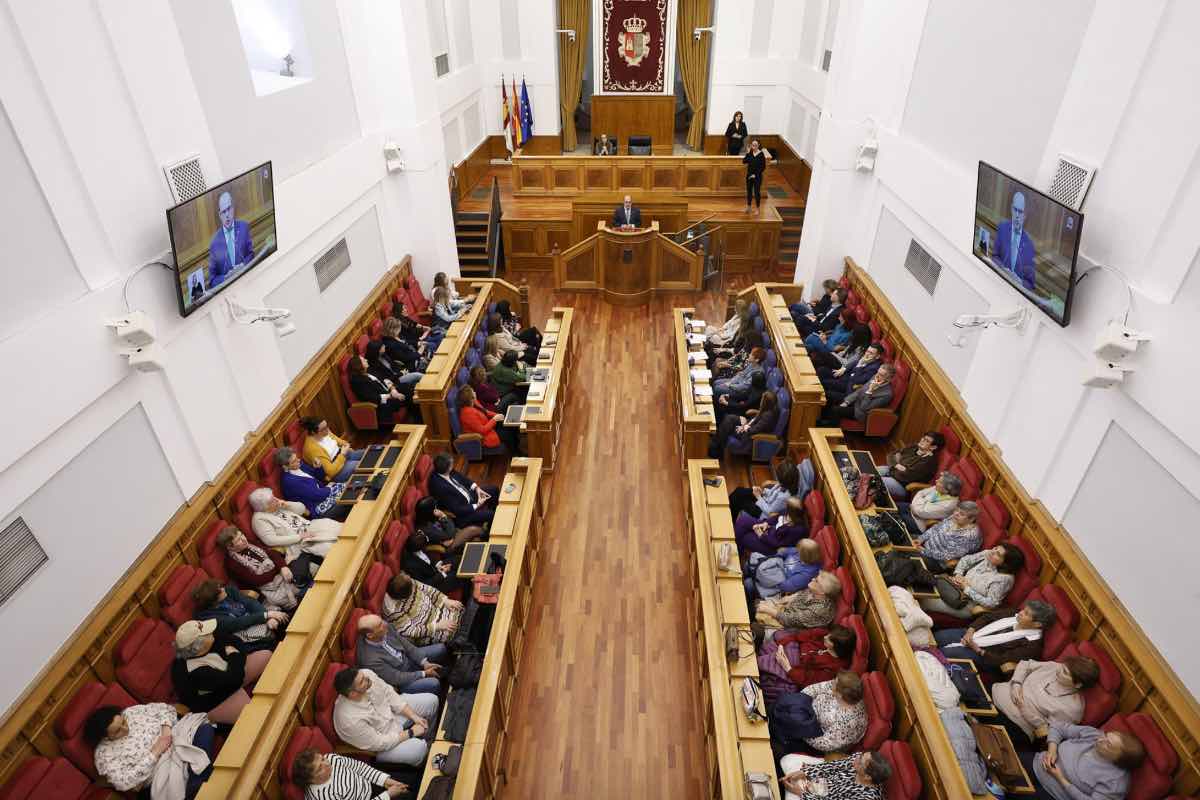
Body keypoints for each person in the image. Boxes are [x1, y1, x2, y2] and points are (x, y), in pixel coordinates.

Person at [84, 703, 216, 796]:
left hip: (177, 736)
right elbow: (123, 782)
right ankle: (202, 781)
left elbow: (165, 709)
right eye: (117, 731)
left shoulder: (130, 712)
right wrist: (155, 753)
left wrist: (166, 731)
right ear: (105, 737)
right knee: (178, 781)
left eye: (123, 722)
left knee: (205, 729)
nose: (126, 728)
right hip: (159, 769)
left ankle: (198, 782)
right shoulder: (104, 755)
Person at [331, 667, 438, 767]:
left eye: (363, 676)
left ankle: (431, 738)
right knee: (419, 750)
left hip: (392, 714)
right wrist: (410, 733)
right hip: (382, 742)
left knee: (432, 701)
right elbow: (378, 743)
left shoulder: (366, 674)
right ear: (352, 694)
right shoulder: (349, 720)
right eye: (362, 681)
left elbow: (389, 694)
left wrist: (414, 716)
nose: (367, 678)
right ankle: (428, 761)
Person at [171, 619, 271, 725]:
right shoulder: (192, 671)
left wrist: (235, 667)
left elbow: (237, 642)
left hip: (231, 676)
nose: (211, 631)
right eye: (207, 633)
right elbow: (233, 680)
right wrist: (233, 656)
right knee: (256, 716)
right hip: (217, 701)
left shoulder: (211, 639)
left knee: (266, 655)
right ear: (198, 646)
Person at [933, 598, 1058, 676]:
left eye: (1026, 614)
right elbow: (988, 617)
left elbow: (1001, 659)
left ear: (1037, 624)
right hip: (973, 634)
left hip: (984, 656)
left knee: (943, 654)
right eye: (1023, 610)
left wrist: (977, 649)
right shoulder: (1013, 613)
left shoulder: (1032, 645)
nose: (1020, 613)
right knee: (936, 638)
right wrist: (970, 631)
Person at [992, 656, 1100, 743]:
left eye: (1065, 672)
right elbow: (1026, 664)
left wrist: (1024, 708)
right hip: (999, 692)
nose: (1058, 670)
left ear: (1077, 684)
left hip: (1014, 722)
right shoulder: (1054, 667)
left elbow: (1050, 730)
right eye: (1063, 666)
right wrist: (1017, 684)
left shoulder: (1073, 709)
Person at [1030, 724, 1144, 800]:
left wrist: (1061, 779)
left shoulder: (1116, 783)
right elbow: (1058, 727)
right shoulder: (1095, 734)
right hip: (1038, 762)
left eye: (1108, 744)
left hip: (1052, 793)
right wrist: (1052, 750)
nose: (1100, 739)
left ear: (1119, 759)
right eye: (1106, 735)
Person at [920, 542, 1025, 619]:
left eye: (998, 554)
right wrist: (958, 574)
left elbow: (992, 603)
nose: (993, 551)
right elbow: (966, 560)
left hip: (967, 604)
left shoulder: (1004, 579)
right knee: (922, 585)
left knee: (926, 600)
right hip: (953, 585)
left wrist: (966, 589)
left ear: (1005, 563)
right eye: (995, 548)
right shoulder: (987, 554)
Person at [248, 487, 341, 570]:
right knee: (328, 547)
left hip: (309, 526)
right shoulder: (259, 520)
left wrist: (287, 504)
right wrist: (300, 537)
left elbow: (302, 509)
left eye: (274, 497)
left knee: (332, 525)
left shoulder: (277, 505)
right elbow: (270, 540)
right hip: (298, 542)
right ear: (264, 507)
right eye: (272, 500)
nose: (276, 500)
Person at [758, 624, 857, 703]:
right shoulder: (825, 634)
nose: (825, 636)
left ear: (835, 646)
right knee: (772, 646)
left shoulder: (832, 669)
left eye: (829, 638)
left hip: (795, 670)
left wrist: (787, 666)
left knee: (770, 665)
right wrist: (781, 645)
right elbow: (800, 635)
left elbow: (807, 681)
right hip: (794, 648)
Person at [217, 526, 307, 611]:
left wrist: (283, 567)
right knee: (299, 600)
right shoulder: (232, 563)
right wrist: (278, 567)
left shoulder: (249, 543)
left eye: (242, 535)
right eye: (238, 540)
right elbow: (257, 580)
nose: (244, 539)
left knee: (303, 572)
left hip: (278, 576)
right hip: (265, 589)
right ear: (230, 547)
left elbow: (272, 553)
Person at [354, 614, 448, 694]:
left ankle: (444, 673)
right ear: (370, 635)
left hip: (408, 660)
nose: (385, 624)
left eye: (381, 621)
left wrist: (425, 663)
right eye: (380, 625)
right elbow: (396, 677)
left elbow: (407, 646)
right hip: (401, 681)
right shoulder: (369, 659)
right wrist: (424, 673)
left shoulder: (386, 628)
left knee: (441, 649)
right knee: (434, 684)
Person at [192, 579, 283, 654]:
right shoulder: (208, 617)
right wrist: (265, 615)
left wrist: (268, 618)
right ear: (213, 601)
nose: (223, 589)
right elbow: (237, 623)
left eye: (221, 587)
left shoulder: (229, 591)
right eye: (220, 591)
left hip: (255, 619)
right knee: (272, 643)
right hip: (242, 636)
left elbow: (249, 602)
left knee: (281, 619)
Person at [382, 571, 463, 645]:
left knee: (459, 608)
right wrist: (437, 626)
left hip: (435, 610)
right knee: (453, 630)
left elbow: (429, 590)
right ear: (406, 596)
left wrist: (445, 600)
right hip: (426, 630)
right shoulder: (392, 610)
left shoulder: (407, 580)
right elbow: (411, 631)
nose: (410, 576)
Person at [292, 749, 409, 800]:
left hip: (369, 785)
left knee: (409, 786)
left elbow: (360, 767)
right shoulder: (324, 796)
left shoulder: (331, 758)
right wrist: (388, 795)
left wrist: (386, 781)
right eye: (319, 768)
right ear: (311, 780)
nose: (326, 763)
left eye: (322, 759)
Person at [779, 750, 891, 800]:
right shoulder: (858, 759)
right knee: (786, 761)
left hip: (820, 795)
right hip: (821, 786)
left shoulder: (867, 797)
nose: (856, 757)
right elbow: (834, 766)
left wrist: (801, 793)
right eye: (862, 755)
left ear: (867, 777)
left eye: (860, 760)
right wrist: (805, 772)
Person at [276, 447, 350, 522]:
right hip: (319, 508)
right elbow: (316, 495)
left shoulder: (299, 465)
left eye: (297, 457)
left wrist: (318, 468)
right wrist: (329, 488)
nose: (298, 460)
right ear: (285, 467)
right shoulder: (290, 482)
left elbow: (320, 477)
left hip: (324, 494)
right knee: (349, 497)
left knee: (352, 486)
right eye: (294, 461)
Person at [802, 671, 868, 753]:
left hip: (814, 731)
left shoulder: (847, 723)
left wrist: (802, 731)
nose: (832, 681)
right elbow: (814, 688)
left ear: (840, 695)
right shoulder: (844, 689)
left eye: (834, 682)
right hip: (805, 710)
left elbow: (824, 744)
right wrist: (801, 698)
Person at [427, 452, 500, 526]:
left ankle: (494, 510)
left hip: (468, 496)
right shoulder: (440, 487)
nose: (453, 466)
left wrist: (477, 489)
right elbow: (457, 509)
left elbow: (462, 478)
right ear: (447, 468)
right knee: (493, 515)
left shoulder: (445, 469)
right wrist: (477, 505)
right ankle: (489, 531)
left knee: (494, 490)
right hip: (464, 513)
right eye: (452, 465)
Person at [756, 571, 842, 631]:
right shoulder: (814, 591)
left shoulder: (819, 610)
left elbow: (789, 620)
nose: (812, 579)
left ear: (822, 591)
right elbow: (799, 595)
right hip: (785, 611)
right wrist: (789, 598)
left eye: (816, 581)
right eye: (815, 578)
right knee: (756, 603)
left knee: (755, 627)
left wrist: (767, 609)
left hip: (791, 628)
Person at [818, 362, 894, 425]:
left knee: (836, 410)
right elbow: (859, 391)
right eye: (878, 372)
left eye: (881, 375)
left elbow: (864, 408)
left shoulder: (886, 394)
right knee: (828, 395)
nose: (877, 376)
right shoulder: (875, 377)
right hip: (855, 401)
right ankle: (821, 417)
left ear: (888, 379)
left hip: (859, 412)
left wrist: (870, 391)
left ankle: (828, 427)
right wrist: (847, 401)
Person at [402, 528, 472, 596]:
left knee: (459, 559)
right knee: (459, 575)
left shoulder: (416, 543)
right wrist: (443, 573)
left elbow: (428, 558)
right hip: (435, 584)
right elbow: (425, 584)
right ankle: (469, 593)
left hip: (435, 569)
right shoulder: (411, 565)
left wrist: (438, 565)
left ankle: (476, 571)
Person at [728, 458, 805, 520]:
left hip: (763, 513)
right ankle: (727, 513)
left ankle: (729, 520)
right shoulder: (787, 483)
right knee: (739, 491)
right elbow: (772, 493)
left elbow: (770, 511)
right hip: (764, 500)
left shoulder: (784, 498)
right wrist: (763, 492)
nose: (777, 480)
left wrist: (758, 497)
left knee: (740, 501)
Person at [710, 389, 779, 458]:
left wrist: (744, 427)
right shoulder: (768, 410)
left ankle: (717, 449)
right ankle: (717, 444)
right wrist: (747, 422)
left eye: (762, 399)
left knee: (728, 424)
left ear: (765, 402)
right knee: (729, 418)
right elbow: (756, 419)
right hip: (749, 424)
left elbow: (755, 429)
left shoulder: (768, 416)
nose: (761, 400)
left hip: (748, 434)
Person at [207, 191, 254, 289]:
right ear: (220, 215)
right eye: (224, 212)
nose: (227, 215)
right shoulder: (214, 244)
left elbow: (251, 254)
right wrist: (226, 277)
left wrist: (243, 265)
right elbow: (212, 281)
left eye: (229, 209)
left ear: (233, 209)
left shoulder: (244, 227)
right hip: (228, 290)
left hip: (248, 281)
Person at [991, 191, 1037, 291]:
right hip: (997, 283)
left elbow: (1031, 285)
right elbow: (994, 256)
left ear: (1025, 215)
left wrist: (1019, 282)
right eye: (1015, 210)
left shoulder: (1029, 246)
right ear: (1011, 209)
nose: (1016, 215)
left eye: (1020, 212)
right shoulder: (1002, 228)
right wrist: (1003, 269)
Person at [734, 497, 808, 557]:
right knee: (743, 520)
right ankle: (737, 550)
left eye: (787, 506)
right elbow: (775, 517)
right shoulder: (787, 511)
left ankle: (737, 553)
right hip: (769, 529)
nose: (785, 506)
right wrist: (765, 523)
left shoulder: (798, 530)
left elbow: (778, 544)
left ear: (792, 511)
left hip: (770, 546)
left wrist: (761, 535)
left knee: (745, 537)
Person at [914, 501, 981, 569]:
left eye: (962, 514)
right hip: (924, 544)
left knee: (907, 556)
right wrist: (921, 539)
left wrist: (923, 551)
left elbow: (947, 556)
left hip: (936, 560)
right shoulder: (954, 518)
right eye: (956, 510)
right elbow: (936, 528)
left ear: (971, 519)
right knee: (904, 539)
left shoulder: (967, 536)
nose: (956, 514)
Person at [878, 431, 944, 499]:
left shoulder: (928, 462)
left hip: (902, 485)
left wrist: (897, 461)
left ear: (933, 447)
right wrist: (897, 465)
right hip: (892, 471)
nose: (922, 441)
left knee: (875, 481)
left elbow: (904, 476)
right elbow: (891, 455)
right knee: (870, 471)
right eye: (923, 438)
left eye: (927, 441)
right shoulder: (915, 446)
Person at [347, 354, 408, 426]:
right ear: (358, 365)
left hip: (390, 391)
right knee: (408, 395)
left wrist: (393, 389)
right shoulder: (357, 381)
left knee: (407, 387)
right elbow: (371, 397)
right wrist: (391, 395)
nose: (366, 360)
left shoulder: (369, 370)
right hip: (381, 404)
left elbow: (384, 378)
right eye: (363, 360)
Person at [457, 386, 520, 454]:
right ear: (470, 398)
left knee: (511, 426)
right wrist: (494, 420)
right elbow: (482, 430)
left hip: (490, 427)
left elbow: (486, 412)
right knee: (508, 433)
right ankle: (515, 454)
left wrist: (497, 415)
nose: (475, 392)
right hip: (486, 437)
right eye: (473, 392)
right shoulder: (467, 414)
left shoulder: (474, 402)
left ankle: (517, 448)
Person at [896, 472, 963, 536]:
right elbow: (920, 493)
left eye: (939, 482)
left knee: (895, 519)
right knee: (894, 506)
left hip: (917, 522)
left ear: (946, 490)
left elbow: (920, 512)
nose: (936, 481)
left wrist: (917, 503)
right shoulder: (939, 489)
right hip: (912, 510)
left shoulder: (948, 505)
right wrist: (918, 506)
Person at [300, 417, 364, 483]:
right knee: (364, 465)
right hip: (337, 471)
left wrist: (346, 446)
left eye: (327, 426)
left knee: (369, 453)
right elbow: (331, 471)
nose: (327, 430)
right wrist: (342, 454)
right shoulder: (312, 449)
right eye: (323, 429)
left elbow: (342, 442)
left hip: (343, 455)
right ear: (313, 432)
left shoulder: (326, 432)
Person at [821, 342, 885, 405]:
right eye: (867, 351)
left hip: (848, 386)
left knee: (824, 385)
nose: (867, 354)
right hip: (845, 376)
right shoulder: (866, 358)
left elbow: (857, 380)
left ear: (877, 356)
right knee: (822, 370)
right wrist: (844, 369)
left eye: (871, 353)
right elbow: (854, 362)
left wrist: (859, 365)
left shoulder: (874, 368)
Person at [743, 139, 774, 213]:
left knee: (757, 192)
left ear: (758, 145)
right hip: (749, 176)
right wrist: (748, 153)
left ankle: (757, 208)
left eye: (755, 145)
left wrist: (755, 175)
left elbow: (763, 167)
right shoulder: (750, 153)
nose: (753, 147)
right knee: (749, 192)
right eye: (752, 145)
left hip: (757, 177)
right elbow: (744, 161)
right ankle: (749, 207)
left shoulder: (761, 154)